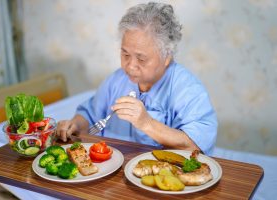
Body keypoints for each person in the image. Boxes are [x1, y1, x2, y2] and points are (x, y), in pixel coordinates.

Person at [57, 2, 217, 155]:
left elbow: (196, 147)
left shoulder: (188, 90)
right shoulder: (117, 80)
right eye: (125, 54)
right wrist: (75, 125)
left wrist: (147, 123)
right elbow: (90, 114)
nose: (130, 66)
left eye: (141, 59)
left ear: (167, 56)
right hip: (112, 166)